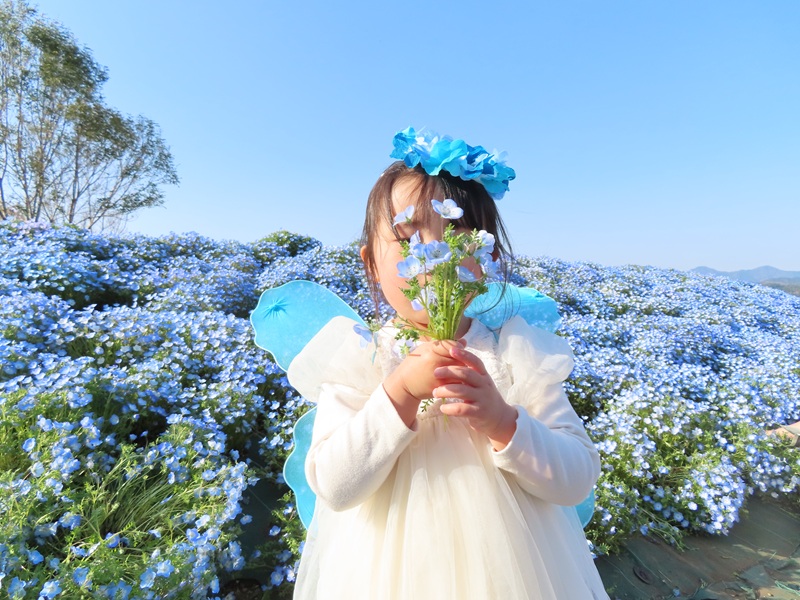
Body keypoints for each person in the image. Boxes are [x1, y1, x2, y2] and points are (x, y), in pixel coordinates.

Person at [287, 128, 609, 599]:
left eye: (456, 235)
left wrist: (503, 421)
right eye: (406, 235)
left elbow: (576, 479)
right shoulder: (364, 360)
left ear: (489, 258)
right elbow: (335, 487)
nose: (430, 255)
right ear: (371, 263)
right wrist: (398, 393)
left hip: (512, 573)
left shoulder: (514, 355)